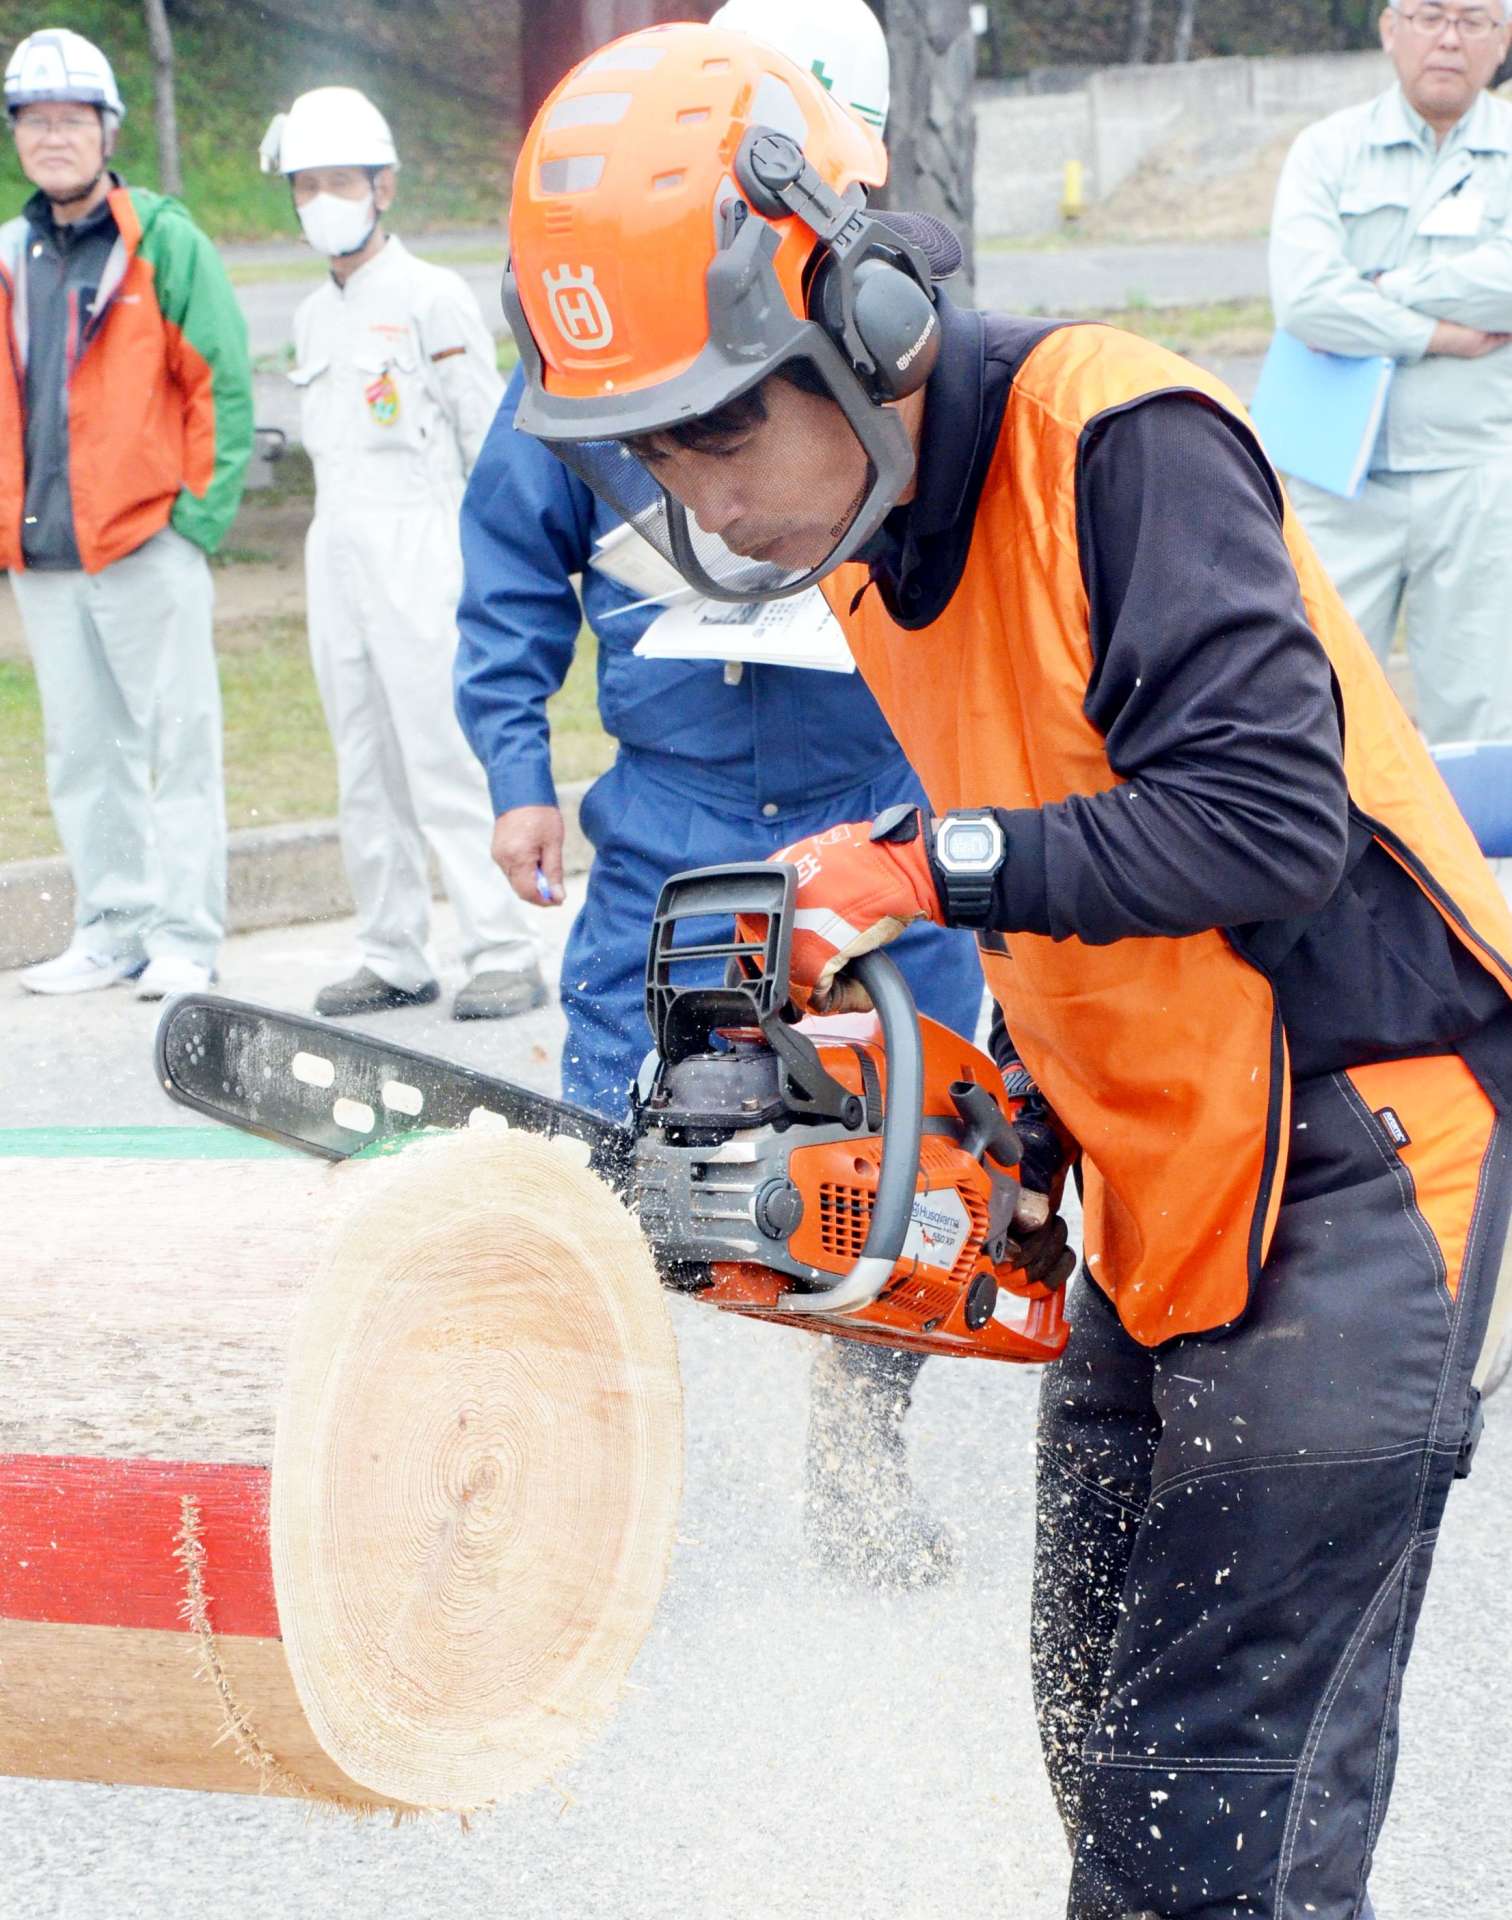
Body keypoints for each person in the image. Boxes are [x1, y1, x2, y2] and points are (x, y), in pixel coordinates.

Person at [504, 23, 1512, 1915]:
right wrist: (982, 1132)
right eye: (657, 447)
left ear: (861, 310)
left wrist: (921, 867)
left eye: (726, 423)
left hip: (1354, 1152)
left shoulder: (1118, 436)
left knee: (1203, 1823)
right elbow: (1084, 856)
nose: (706, 491)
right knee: (1111, 1761)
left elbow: (1266, 822)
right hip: (1157, 1175)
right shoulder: (874, 526)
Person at [457, 0, 983, 1592]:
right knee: (622, 1143)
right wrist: (515, 771)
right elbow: (506, 566)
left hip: (876, 816)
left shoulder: (906, 360)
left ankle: (855, 1465)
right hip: (668, 814)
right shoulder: (602, 355)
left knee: (908, 1152)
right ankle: (601, 1484)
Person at [260, 87, 544, 1022]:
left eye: (338, 181)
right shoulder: (311, 315)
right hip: (335, 546)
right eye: (306, 185)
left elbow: (485, 440)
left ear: (383, 186)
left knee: (441, 750)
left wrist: (487, 564)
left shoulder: (432, 296)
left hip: (422, 543)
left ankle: (501, 944)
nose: (322, 201)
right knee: (362, 758)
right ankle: (391, 949)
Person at [3, 27, 251, 999]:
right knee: (82, 753)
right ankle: (109, 927)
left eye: (71, 119)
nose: (53, 137)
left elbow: (223, 384)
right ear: (18, 136)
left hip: (148, 542)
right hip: (47, 554)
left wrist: (196, 519)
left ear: (107, 129)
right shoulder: (12, 256)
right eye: (34, 120)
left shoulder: (162, 240)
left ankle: (186, 937)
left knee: (178, 745)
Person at [1269, 0, 1512, 748]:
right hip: (1338, 480)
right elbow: (1307, 298)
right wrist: (1436, 331)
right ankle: (1333, 869)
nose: (1448, 37)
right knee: (1318, 708)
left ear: (1503, 41)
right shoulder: (1327, 150)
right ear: (1388, 29)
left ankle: (1483, 871)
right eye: (1430, 14)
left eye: (1474, 20)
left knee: (1484, 717)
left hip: (1477, 476)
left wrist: (1382, 288)